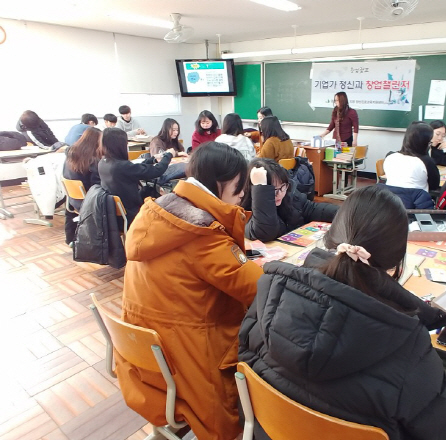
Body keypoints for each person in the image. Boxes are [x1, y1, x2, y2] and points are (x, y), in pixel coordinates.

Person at [239, 185, 446, 440]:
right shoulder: (410, 343)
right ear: (397, 258)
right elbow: (439, 428)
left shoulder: (270, 289)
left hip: (269, 431)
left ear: (333, 234)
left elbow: (245, 360)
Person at [117, 142, 263, 440]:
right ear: (220, 183)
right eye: (239, 186)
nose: (242, 194)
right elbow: (258, 290)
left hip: (151, 358)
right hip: (193, 364)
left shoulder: (156, 214)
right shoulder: (203, 234)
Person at [242, 158, 339, 242]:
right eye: (273, 190)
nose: (280, 194)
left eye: (283, 186)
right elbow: (265, 232)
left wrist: (346, 212)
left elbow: (312, 209)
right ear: (254, 191)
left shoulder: (288, 193)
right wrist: (261, 188)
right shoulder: (244, 212)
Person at [98, 127, 171, 225]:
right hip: (131, 214)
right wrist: (168, 155)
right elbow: (156, 171)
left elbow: (135, 168)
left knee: (148, 190)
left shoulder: (103, 163)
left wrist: (152, 159)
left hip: (115, 214)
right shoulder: (121, 166)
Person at [63, 127, 102, 243]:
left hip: (72, 200)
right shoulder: (92, 161)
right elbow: (98, 185)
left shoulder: (69, 155)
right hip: (87, 203)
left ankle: (71, 239)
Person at [383, 121, 440, 192]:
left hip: (391, 200)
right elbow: (434, 186)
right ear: (425, 143)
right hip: (416, 202)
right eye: (429, 142)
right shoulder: (426, 162)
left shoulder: (390, 156)